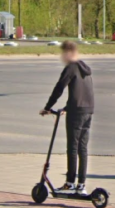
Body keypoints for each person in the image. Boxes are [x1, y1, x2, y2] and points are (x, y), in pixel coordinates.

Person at [40, 40, 94, 195]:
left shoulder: (71, 68)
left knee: (72, 147)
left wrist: (48, 107)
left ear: (69, 53)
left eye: (63, 53)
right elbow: (81, 93)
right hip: (88, 111)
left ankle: (70, 183)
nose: (62, 57)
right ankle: (81, 185)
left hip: (76, 113)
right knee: (82, 148)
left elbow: (59, 88)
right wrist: (66, 108)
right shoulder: (85, 69)